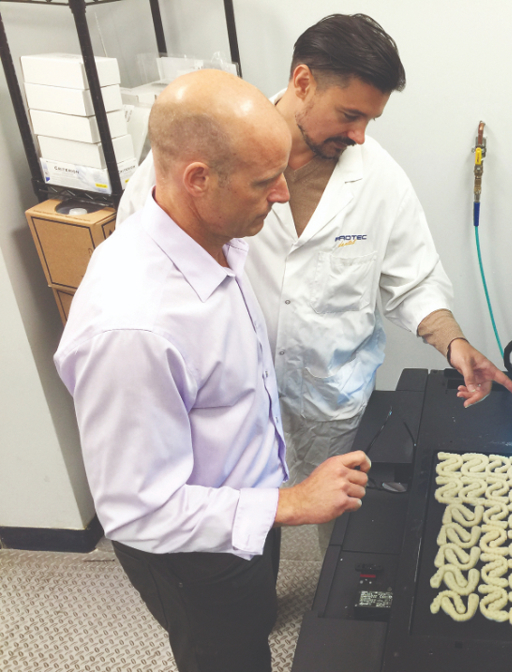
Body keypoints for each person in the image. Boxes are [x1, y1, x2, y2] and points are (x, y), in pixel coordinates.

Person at [117, 14, 512, 540]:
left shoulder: (378, 178)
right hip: (232, 401)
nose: (359, 135)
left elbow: (413, 278)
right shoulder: (210, 152)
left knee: (335, 519)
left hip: (328, 401)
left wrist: (455, 343)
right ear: (303, 82)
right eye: (350, 115)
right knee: (241, 522)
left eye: (370, 119)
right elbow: (141, 256)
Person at [54, 69, 370, 672]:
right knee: (223, 652)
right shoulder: (134, 329)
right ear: (197, 179)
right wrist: (289, 504)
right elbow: (138, 510)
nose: (283, 195)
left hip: (247, 504)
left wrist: (272, 504)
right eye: (265, 182)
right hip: (191, 554)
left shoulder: (213, 236)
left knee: (252, 620)